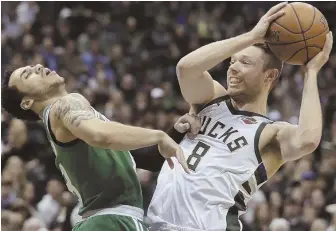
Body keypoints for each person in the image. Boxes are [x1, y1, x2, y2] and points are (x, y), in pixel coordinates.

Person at [148, 2, 334, 230]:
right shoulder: (212, 98)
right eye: (231, 61)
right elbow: (186, 68)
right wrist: (251, 36)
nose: (232, 68)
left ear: (270, 76)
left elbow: (308, 139)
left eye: (244, 63)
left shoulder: (270, 133)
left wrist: (311, 73)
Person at [1, 63, 196, 231]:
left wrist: (176, 132)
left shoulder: (73, 123)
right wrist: (159, 135)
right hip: (111, 221)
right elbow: (100, 135)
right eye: (28, 74)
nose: (37, 67)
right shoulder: (64, 105)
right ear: (27, 102)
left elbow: (150, 159)